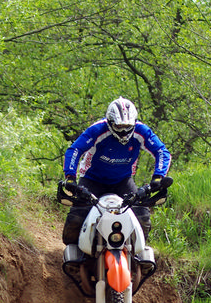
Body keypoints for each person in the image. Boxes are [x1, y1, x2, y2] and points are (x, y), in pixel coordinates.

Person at [60, 97, 171, 248]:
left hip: (123, 180)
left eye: (128, 126)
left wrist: (158, 177)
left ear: (134, 122)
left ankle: (137, 254)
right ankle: (74, 252)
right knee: (77, 218)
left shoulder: (141, 131)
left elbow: (161, 151)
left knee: (142, 216)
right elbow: (75, 150)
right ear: (110, 122)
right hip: (92, 179)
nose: (124, 131)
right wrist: (70, 177)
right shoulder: (97, 130)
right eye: (119, 126)